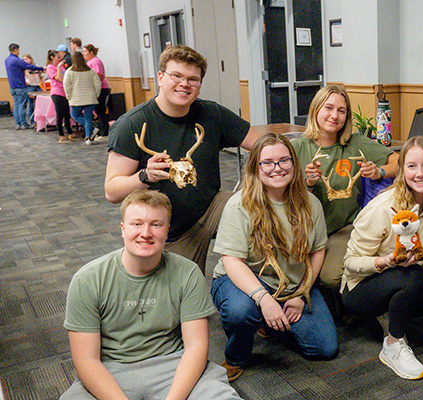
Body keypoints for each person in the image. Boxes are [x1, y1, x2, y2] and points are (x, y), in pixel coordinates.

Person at [60, 190, 242, 400]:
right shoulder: (87, 280)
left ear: (166, 231)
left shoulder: (188, 272)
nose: (146, 233)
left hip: (174, 365)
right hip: (111, 370)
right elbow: (86, 361)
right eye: (137, 224)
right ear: (122, 229)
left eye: (156, 225)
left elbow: (196, 347)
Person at [105, 45, 262, 273]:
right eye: (176, 76)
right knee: (181, 296)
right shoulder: (131, 125)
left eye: (193, 79)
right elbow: (112, 191)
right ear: (160, 78)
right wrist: (144, 176)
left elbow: (264, 147)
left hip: (210, 210)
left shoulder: (211, 114)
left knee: (257, 209)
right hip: (170, 232)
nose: (184, 84)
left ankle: (261, 284)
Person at [341, 136, 423, 380]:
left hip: (407, 278)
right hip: (360, 288)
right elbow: (350, 263)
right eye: (412, 166)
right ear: (402, 171)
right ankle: (393, 344)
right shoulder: (382, 208)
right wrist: (387, 262)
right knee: (410, 276)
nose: (420, 173)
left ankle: (395, 311)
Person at [210, 133, 337, 382]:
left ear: (294, 164)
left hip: (291, 284)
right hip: (244, 280)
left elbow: (317, 251)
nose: (277, 168)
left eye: (284, 161)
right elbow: (232, 261)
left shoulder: (311, 204)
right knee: (241, 312)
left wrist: (302, 293)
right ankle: (237, 356)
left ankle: (267, 323)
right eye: (267, 162)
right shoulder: (239, 205)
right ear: (255, 168)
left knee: (324, 349)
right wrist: (263, 299)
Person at [290, 84, 399, 293]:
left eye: (341, 111)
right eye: (328, 108)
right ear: (316, 110)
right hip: (305, 231)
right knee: (293, 275)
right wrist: (307, 184)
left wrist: (380, 172)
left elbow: (401, 161)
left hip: (343, 229)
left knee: (330, 277)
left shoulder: (355, 143)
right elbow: (278, 194)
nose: (334, 116)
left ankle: (350, 307)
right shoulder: (297, 147)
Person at [63, 51, 101, 145]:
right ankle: (88, 137)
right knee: (88, 118)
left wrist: (69, 97)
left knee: (75, 115)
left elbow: (66, 85)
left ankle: (92, 128)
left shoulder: (70, 71)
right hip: (90, 99)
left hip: (76, 99)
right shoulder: (90, 70)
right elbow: (97, 84)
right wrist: (95, 95)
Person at [4, 43, 44, 130]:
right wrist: (41, 68)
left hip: (12, 86)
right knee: (22, 106)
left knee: (16, 105)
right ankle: (23, 124)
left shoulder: (7, 60)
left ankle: (17, 124)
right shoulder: (17, 60)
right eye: (18, 50)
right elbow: (29, 66)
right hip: (20, 86)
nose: (19, 52)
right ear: (15, 50)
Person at [45, 49, 75, 143]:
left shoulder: (61, 67)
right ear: (52, 58)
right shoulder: (50, 67)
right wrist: (58, 68)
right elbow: (60, 78)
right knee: (60, 114)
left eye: (60, 57)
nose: (60, 59)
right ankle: (61, 135)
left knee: (67, 114)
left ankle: (70, 132)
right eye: (58, 57)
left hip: (65, 92)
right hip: (57, 93)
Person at [82, 44, 110, 138]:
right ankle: (102, 131)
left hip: (101, 89)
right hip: (96, 89)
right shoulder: (90, 61)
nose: (83, 53)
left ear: (91, 52)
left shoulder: (95, 61)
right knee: (98, 111)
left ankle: (104, 133)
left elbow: (98, 76)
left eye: (85, 51)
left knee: (100, 110)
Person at [21, 54, 43, 127]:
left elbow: (41, 77)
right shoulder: (23, 68)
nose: (25, 61)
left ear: (30, 59)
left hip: (37, 86)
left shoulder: (36, 67)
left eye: (26, 59)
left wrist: (44, 88)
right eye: (23, 59)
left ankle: (41, 120)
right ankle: (32, 121)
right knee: (31, 104)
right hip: (30, 86)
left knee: (40, 103)